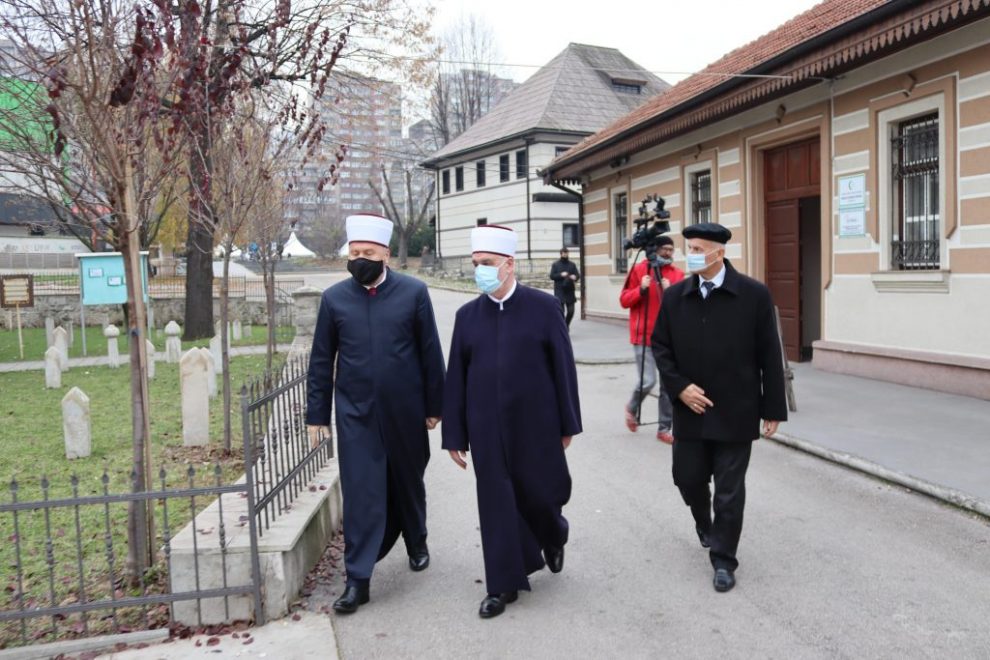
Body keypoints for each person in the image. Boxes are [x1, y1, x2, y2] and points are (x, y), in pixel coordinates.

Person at [305, 213, 446, 614]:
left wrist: (435, 406)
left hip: (406, 410)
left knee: (407, 480)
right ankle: (358, 579)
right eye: (354, 253)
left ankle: (416, 539)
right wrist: (317, 415)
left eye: (368, 252)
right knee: (362, 491)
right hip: (356, 413)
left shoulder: (414, 293)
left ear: (385, 253)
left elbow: (430, 352)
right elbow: (321, 360)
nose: (360, 259)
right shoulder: (334, 299)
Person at [442, 225, 582, 620]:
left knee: (541, 494)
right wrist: (455, 434)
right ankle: (503, 583)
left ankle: (553, 534)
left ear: (509, 264)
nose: (480, 271)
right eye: (476, 264)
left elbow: (563, 369)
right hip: (486, 427)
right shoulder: (467, 317)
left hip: (537, 423)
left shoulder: (544, 307)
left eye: (486, 263)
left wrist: (567, 424)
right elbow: (457, 378)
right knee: (496, 502)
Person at [651, 222, 787, 593]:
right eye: (689, 248)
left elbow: (770, 354)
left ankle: (724, 559)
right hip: (690, 410)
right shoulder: (676, 297)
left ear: (719, 253)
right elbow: (660, 346)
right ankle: (703, 521)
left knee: (729, 490)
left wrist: (773, 407)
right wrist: (679, 388)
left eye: (698, 249)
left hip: (737, 410)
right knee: (688, 478)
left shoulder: (753, 295)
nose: (691, 255)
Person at [619, 236, 684, 444]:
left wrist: (671, 291)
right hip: (643, 337)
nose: (668, 253)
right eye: (664, 249)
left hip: (669, 339)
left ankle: (664, 428)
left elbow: (684, 305)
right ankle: (632, 407)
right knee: (648, 381)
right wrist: (641, 289)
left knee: (668, 386)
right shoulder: (639, 270)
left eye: (671, 249)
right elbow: (624, 300)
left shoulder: (677, 274)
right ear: (655, 249)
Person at [549, 247, 580, 328]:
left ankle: (566, 325)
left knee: (571, 311)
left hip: (570, 291)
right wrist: (561, 275)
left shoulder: (572, 264)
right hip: (560, 291)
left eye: (567, 253)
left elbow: (577, 275)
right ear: (561, 254)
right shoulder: (555, 264)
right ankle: (563, 327)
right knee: (561, 312)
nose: (565, 254)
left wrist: (575, 277)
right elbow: (552, 276)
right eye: (564, 253)